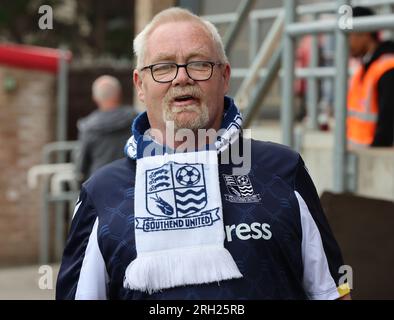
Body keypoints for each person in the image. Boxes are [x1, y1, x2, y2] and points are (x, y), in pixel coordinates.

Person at [56, 8, 351, 300]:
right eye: (163, 66)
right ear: (140, 85)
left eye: (198, 64)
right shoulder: (102, 192)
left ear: (224, 76)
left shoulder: (283, 170)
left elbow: (331, 293)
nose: (181, 78)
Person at [347, 6, 394, 147]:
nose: (346, 42)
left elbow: (387, 128)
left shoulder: (387, 68)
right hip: (362, 156)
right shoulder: (365, 67)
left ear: (365, 33)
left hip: (377, 160)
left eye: (349, 35)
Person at [75, 75, 137, 182]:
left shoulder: (88, 127)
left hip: (99, 185)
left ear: (95, 98)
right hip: (131, 183)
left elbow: (81, 165)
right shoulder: (136, 120)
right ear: (119, 94)